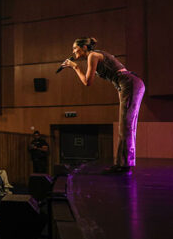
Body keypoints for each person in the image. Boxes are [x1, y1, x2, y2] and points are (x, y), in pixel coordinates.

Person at [62, 36, 145, 173]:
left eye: (75, 48)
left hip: (128, 83)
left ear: (84, 47)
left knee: (126, 125)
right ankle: (122, 164)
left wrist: (75, 67)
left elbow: (87, 82)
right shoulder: (95, 55)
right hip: (126, 84)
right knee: (125, 125)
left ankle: (124, 165)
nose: (73, 51)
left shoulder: (92, 55)